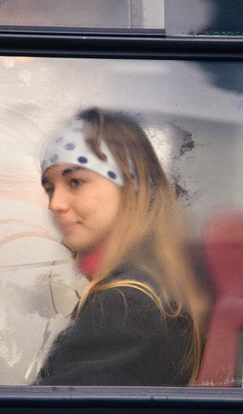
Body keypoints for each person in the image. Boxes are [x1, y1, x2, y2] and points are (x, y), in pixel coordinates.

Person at [34, 108, 210, 386]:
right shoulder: (149, 289)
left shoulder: (127, 303)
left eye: (75, 182)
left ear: (130, 187)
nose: (55, 204)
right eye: (50, 188)